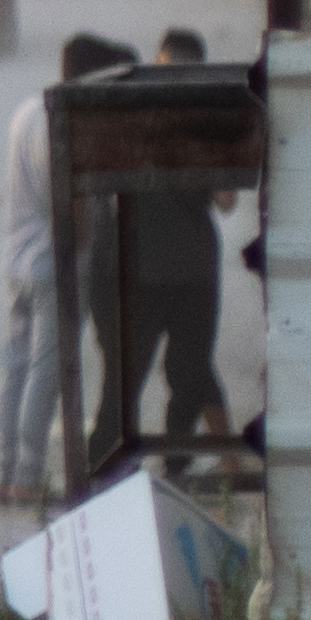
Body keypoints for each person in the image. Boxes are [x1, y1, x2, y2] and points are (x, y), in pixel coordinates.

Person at [0, 30, 134, 504]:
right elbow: (72, 208)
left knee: (15, 368)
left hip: (14, 258)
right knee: (48, 369)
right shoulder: (67, 125)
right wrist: (88, 242)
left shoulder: (26, 111)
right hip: (51, 265)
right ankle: (29, 477)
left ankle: (6, 473)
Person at [126, 24, 235, 454]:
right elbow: (226, 200)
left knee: (136, 371)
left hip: (150, 264)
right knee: (190, 367)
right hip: (192, 263)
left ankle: (169, 462)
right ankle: (211, 461)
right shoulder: (208, 121)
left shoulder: (133, 115)